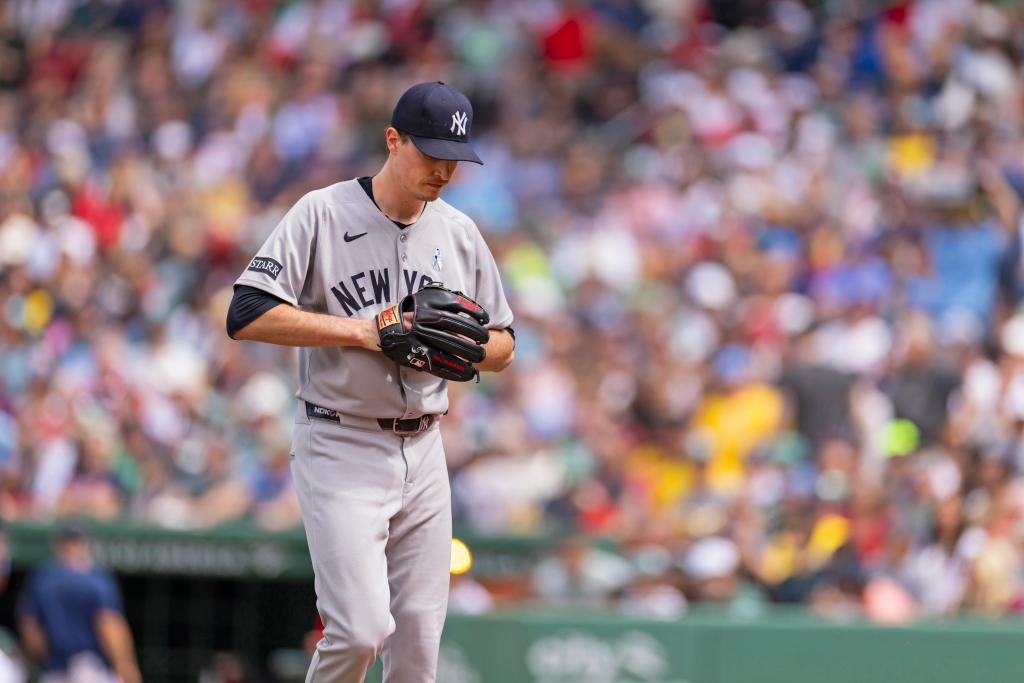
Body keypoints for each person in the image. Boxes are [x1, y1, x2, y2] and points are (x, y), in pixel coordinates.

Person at [227, 81, 514, 682]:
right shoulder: (323, 212)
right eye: (430, 152)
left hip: (426, 450)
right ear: (392, 139)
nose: (443, 170)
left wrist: (463, 348)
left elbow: (505, 345)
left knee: (417, 653)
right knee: (359, 630)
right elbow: (247, 313)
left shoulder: (459, 231)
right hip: (341, 441)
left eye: (453, 158)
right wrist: (366, 332)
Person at [17, 525, 141, 683]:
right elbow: (108, 624)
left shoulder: (41, 579)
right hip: (89, 668)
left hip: (55, 671)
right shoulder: (96, 579)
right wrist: (125, 665)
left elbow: (31, 632)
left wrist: (38, 661)